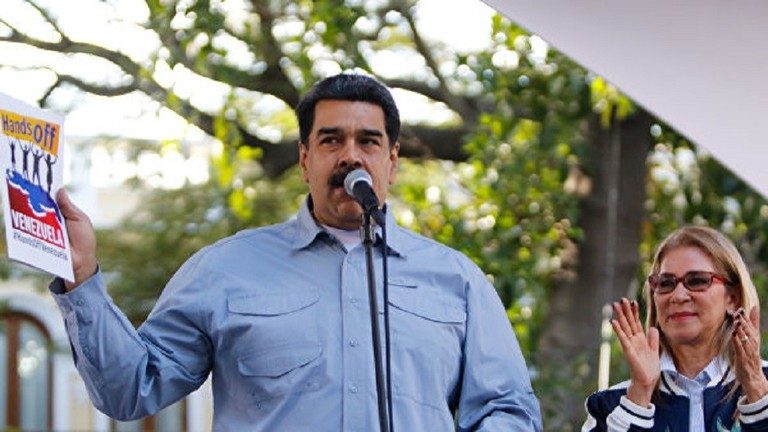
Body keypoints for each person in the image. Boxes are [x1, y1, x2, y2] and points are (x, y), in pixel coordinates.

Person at [52, 73, 542, 431]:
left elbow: (507, 409)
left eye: (368, 141)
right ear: (306, 159)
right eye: (331, 140)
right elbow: (130, 389)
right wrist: (81, 275)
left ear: (392, 162)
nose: (350, 155)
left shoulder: (457, 279)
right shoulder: (224, 270)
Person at [582, 226, 768, 431]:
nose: (678, 296)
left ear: (732, 298)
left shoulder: (762, 383)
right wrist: (640, 394)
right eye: (665, 283)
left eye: (697, 281)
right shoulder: (609, 406)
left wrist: (756, 389)